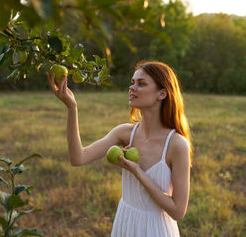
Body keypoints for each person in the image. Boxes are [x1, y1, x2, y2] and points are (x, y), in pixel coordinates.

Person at [47, 60, 192, 237]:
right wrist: (72, 108)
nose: (132, 88)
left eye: (141, 83)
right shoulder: (125, 133)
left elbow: (178, 211)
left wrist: (137, 171)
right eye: (132, 82)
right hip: (125, 223)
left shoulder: (177, 144)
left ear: (161, 94)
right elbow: (78, 158)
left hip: (157, 229)